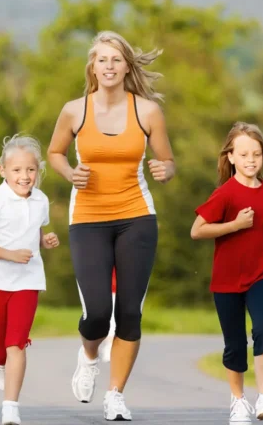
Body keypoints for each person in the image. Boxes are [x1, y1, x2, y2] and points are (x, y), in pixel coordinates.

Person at [47, 30, 176, 421]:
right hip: (87, 219)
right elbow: (54, 152)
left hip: (136, 215)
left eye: (116, 60)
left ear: (126, 66)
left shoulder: (147, 111)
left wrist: (164, 169)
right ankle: (88, 355)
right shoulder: (75, 110)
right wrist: (70, 172)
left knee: (131, 314)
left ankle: (116, 394)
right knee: (99, 312)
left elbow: (169, 162)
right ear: (93, 66)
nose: (108, 66)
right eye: (102, 59)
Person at [190, 121, 263, 424]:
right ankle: (238, 401)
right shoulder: (225, 194)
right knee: (235, 343)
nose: (250, 160)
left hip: (261, 274)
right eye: (243, 154)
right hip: (227, 280)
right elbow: (197, 230)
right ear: (230, 157)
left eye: (256, 154)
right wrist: (234, 225)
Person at [0, 134, 60, 425]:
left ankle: (10, 407)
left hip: (28, 281)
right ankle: (0, 364)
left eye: (31, 170)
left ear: (38, 171)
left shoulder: (41, 200)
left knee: (16, 344)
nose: (25, 176)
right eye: (17, 170)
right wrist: (9, 255)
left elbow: (34, 235)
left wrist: (45, 240)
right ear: (3, 171)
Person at [99, 267, 116, 363]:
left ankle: (111, 347)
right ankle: (109, 346)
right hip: (106, 289)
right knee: (109, 320)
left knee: (116, 321)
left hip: (123, 289)